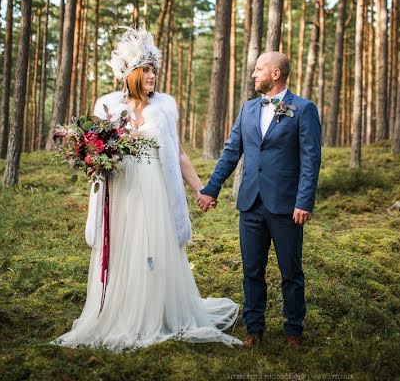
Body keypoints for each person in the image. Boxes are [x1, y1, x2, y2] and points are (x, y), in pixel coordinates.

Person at [54, 27, 242, 351]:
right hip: (122, 193)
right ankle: (121, 311)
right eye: (147, 70)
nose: (153, 76)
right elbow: (95, 148)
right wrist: (93, 156)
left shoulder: (165, 108)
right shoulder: (108, 106)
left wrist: (200, 188)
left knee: (153, 251)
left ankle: (157, 312)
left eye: (154, 70)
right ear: (131, 74)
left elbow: (179, 154)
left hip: (155, 195)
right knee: (124, 250)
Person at [197, 51, 322, 348]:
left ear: (275, 74)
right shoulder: (248, 109)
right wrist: (211, 189)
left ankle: (294, 330)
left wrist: (304, 202)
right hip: (250, 203)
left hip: (286, 206)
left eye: (258, 70)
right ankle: (254, 328)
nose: (254, 75)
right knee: (252, 270)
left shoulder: (303, 109)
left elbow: (311, 160)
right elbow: (230, 152)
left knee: (291, 271)